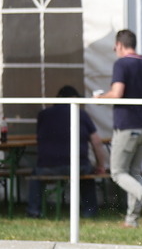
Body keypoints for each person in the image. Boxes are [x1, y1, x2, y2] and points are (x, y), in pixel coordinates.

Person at [96, 30, 142, 227]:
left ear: (119, 45)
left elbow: (117, 93)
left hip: (128, 126)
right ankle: (131, 220)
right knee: (134, 172)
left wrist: (99, 98)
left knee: (118, 172)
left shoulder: (121, 64)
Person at [27, 85, 109, 218]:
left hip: (47, 167)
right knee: (87, 176)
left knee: (35, 175)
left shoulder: (43, 115)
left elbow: (40, 139)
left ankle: (34, 210)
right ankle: (89, 211)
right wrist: (101, 166)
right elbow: (97, 142)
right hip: (78, 166)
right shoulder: (81, 114)